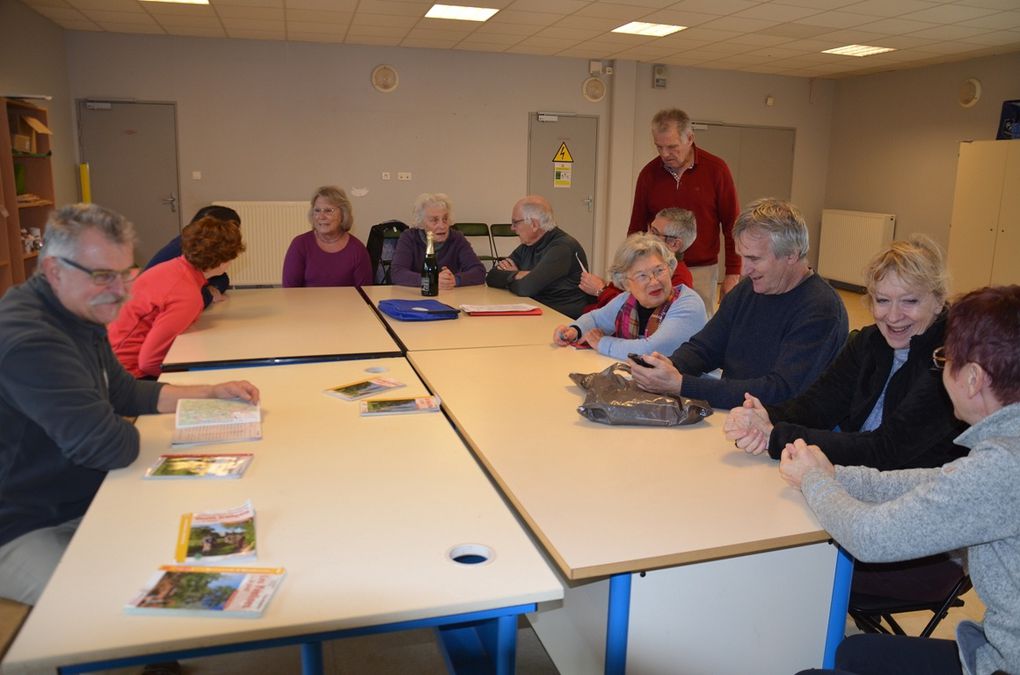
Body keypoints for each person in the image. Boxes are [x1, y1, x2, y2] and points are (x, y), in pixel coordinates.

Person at [0, 203, 259, 606]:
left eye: (125, 275)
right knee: (94, 608)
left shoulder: (77, 308)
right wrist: (110, 421)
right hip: (22, 521)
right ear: (54, 270)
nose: (121, 291)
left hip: (80, 491)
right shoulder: (31, 339)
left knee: (175, 558)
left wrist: (208, 392)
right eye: (104, 276)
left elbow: (123, 392)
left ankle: (156, 659)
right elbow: (109, 445)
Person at [786, 285, 1020, 675]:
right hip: (997, 650)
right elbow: (935, 482)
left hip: (1003, 664)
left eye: (946, 359)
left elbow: (870, 538)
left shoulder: (1004, 465)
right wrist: (834, 475)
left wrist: (815, 481)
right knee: (855, 654)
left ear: (974, 378)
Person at [726, 235, 967, 469]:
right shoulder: (869, 341)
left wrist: (777, 436)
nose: (893, 316)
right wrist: (764, 416)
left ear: (938, 301)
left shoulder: (950, 361)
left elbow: (886, 449)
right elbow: (818, 404)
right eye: (882, 300)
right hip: (857, 473)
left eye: (910, 301)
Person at [628, 198, 847, 410]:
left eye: (754, 259)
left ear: (791, 255)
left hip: (781, 431)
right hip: (737, 413)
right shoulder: (748, 290)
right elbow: (706, 348)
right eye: (742, 257)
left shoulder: (821, 309)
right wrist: (668, 368)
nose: (744, 270)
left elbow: (781, 391)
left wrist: (682, 385)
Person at [628, 108, 740, 315]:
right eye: (659, 147)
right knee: (658, 324)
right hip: (658, 269)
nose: (664, 154)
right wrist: (632, 267)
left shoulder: (716, 170)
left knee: (698, 328)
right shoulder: (649, 174)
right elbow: (636, 227)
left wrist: (733, 272)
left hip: (702, 270)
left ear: (690, 138)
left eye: (672, 147)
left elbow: (732, 224)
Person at [109, 216, 246, 378]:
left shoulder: (171, 268)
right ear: (221, 260)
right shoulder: (187, 295)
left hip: (110, 360)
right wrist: (188, 378)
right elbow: (149, 362)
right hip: (127, 374)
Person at [553, 233, 706, 360]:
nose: (654, 281)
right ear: (626, 283)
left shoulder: (688, 303)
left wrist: (602, 343)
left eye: (659, 270)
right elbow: (595, 319)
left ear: (670, 268)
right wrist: (574, 331)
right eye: (642, 276)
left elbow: (652, 350)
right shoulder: (626, 300)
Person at [485, 195, 593, 319]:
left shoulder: (562, 247)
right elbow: (492, 277)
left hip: (561, 318)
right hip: (536, 310)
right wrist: (518, 274)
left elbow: (525, 288)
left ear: (534, 224)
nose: (512, 228)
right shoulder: (528, 245)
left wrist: (516, 278)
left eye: (515, 222)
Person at [580, 207, 696, 311]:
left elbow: (637, 310)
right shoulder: (645, 260)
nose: (648, 235)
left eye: (654, 232)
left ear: (674, 244)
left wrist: (600, 290)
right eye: (650, 229)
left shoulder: (680, 280)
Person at [146, 205, 241, 308]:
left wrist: (212, 288)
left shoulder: (197, 249)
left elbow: (222, 279)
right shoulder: (183, 253)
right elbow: (186, 300)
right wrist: (208, 294)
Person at [282, 185, 372, 287]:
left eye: (328, 210)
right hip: (308, 303)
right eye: (317, 210)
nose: (321, 216)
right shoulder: (300, 244)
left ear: (343, 213)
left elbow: (364, 294)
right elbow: (289, 292)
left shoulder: (357, 249)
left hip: (345, 303)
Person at [389, 193, 485, 289]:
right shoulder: (409, 237)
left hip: (450, 296)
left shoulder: (457, 238)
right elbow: (397, 273)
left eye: (445, 219)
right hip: (417, 296)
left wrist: (455, 280)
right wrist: (430, 280)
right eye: (434, 220)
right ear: (421, 223)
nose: (442, 225)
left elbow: (479, 270)